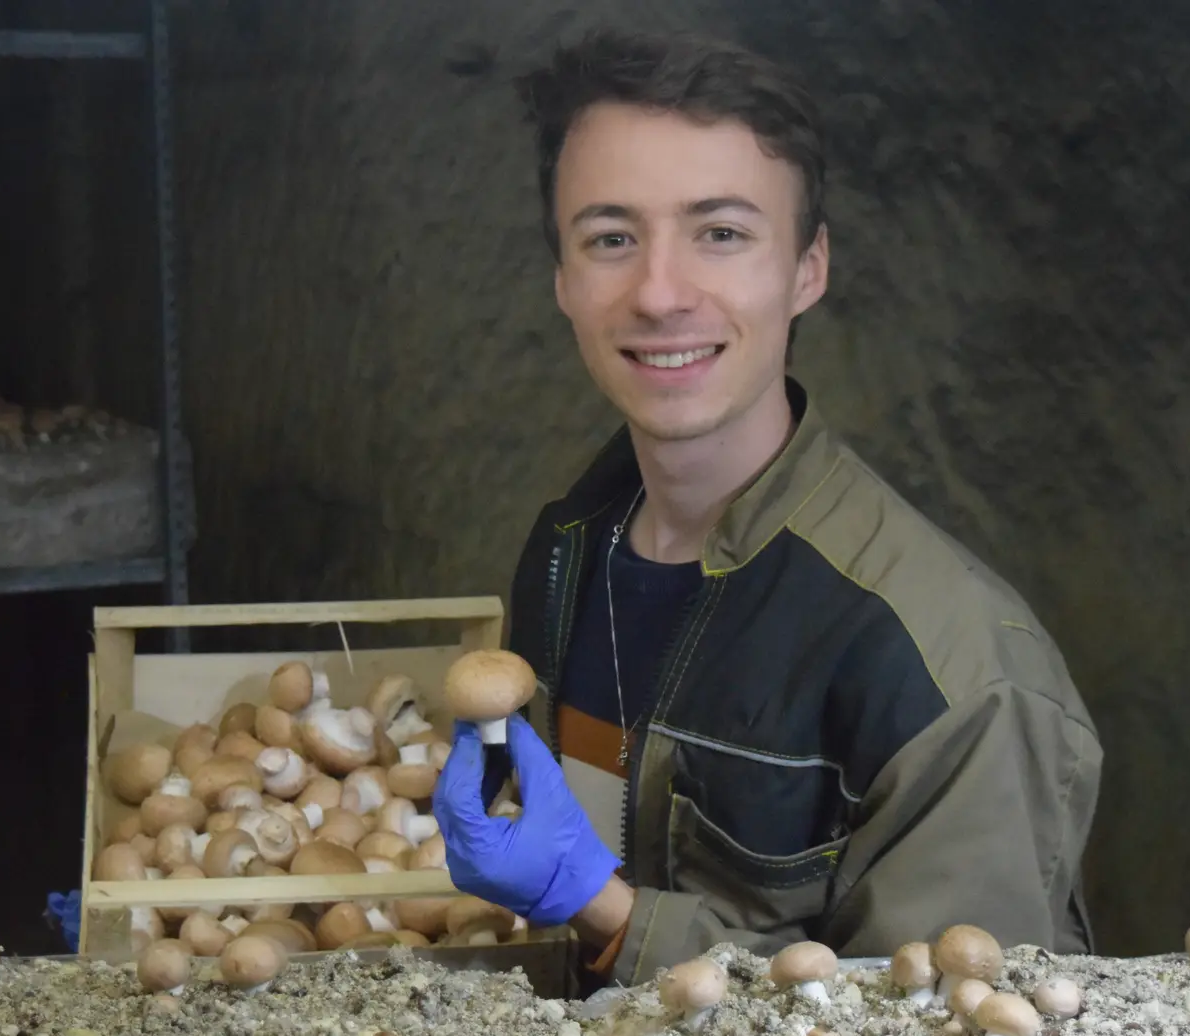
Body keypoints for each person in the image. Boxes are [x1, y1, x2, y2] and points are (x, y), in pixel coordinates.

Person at [431, 27, 1102, 986]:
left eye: (721, 234)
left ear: (807, 269)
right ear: (563, 281)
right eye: (611, 238)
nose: (660, 294)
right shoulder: (567, 551)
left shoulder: (953, 674)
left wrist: (603, 909)